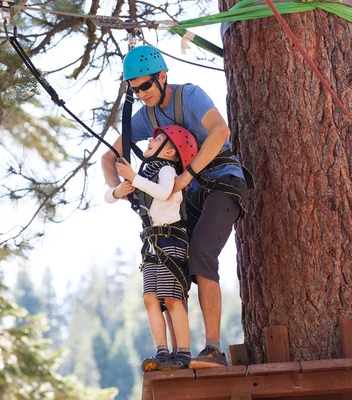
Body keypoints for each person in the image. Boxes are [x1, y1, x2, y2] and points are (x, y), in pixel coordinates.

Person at [101, 45, 251, 368]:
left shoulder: (190, 97)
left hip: (223, 179)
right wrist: (121, 189)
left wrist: (186, 176)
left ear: (162, 76)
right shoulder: (146, 116)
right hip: (191, 193)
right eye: (135, 89)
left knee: (200, 252)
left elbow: (220, 131)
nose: (141, 94)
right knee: (172, 262)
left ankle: (213, 349)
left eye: (145, 85)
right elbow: (108, 157)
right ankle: (178, 353)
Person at [105, 125, 197, 371]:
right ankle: (162, 352)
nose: (150, 139)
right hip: (152, 244)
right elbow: (108, 197)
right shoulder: (147, 176)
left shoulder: (166, 170)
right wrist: (120, 190)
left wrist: (134, 178)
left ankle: (184, 354)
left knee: (171, 297)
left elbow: (165, 192)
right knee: (149, 298)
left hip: (170, 241)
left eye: (158, 139)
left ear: (170, 153)